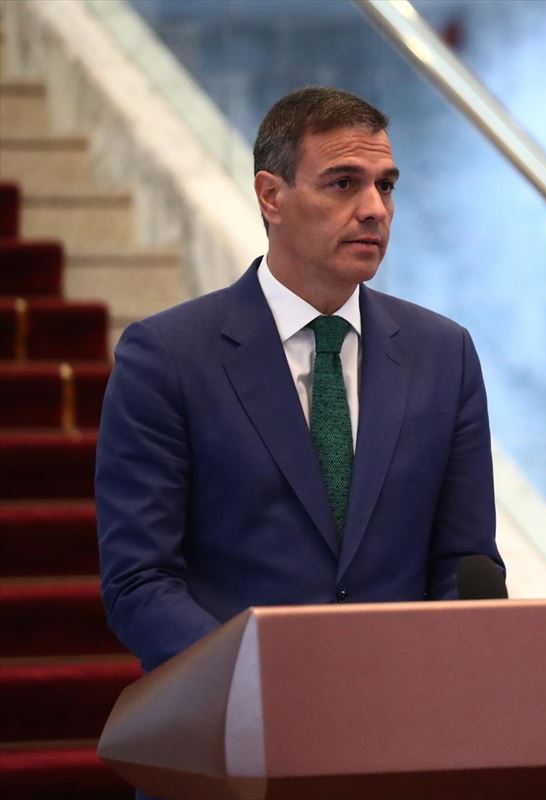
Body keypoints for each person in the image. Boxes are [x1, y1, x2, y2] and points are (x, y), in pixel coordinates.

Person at [97, 87, 502, 674]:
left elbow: (467, 564)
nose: (375, 209)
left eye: (385, 186)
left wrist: (440, 677)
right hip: (238, 722)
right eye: (344, 183)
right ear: (271, 197)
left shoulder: (444, 354)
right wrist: (257, 680)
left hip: (406, 719)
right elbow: (140, 580)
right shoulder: (166, 357)